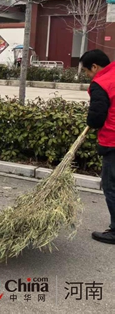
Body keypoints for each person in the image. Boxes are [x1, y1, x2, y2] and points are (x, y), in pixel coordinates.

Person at [81, 49, 115, 245]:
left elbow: (96, 117)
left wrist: (91, 122)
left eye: (86, 71)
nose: (87, 76)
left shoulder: (100, 83)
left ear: (95, 67)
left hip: (113, 140)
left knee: (111, 186)